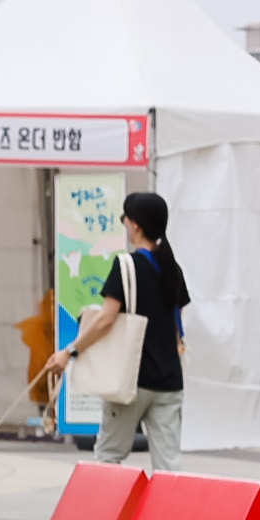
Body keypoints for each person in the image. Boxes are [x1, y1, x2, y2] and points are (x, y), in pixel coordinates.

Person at [46, 190, 189, 474]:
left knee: (109, 457)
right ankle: (166, 518)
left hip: (131, 380)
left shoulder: (126, 266)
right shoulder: (173, 269)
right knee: (169, 465)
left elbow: (105, 320)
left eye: (124, 216)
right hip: (170, 381)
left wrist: (70, 351)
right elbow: (176, 328)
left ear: (134, 224)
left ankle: (105, 518)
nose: (123, 221)